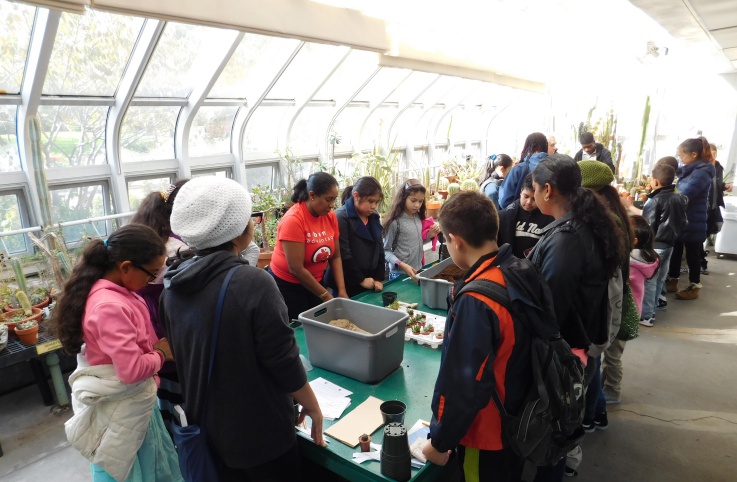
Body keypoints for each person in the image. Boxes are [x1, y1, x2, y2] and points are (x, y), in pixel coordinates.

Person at [161, 177, 324, 481]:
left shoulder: (172, 282)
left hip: (210, 428)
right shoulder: (252, 283)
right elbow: (283, 360)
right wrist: (312, 405)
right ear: (238, 229)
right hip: (261, 436)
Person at [50, 224, 182, 482]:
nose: (153, 280)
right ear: (125, 267)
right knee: (133, 469)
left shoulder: (118, 292)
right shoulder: (109, 306)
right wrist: (160, 354)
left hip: (135, 399)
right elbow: (130, 370)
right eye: (152, 273)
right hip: (122, 404)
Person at [422, 191, 536, 481]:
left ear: (456, 241)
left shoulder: (477, 300)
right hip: (521, 416)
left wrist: (439, 442)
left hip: (488, 432)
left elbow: (464, 383)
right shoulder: (518, 268)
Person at [529, 154, 626, 481]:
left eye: (533, 188)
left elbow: (551, 304)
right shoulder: (584, 223)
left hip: (566, 352)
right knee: (563, 424)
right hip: (580, 345)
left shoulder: (567, 238)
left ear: (546, 189)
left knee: (554, 430)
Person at [130, 180, 189, 434]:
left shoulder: (142, 234)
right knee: (181, 395)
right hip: (169, 325)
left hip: (149, 327)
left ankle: (170, 427)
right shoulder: (175, 247)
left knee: (164, 389)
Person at [268, 172, 348, 320]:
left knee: (320, 321)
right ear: (312, 195)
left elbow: (335, 256)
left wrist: (341, 290)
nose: (332, 205)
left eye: (334, 200)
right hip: (288, 286)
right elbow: (296, 269)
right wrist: (325, 295)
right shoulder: (293, 221)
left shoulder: (330, 216)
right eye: (328, 199)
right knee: (299, 328)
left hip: (316, 281)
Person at [666, 138, 716, 300]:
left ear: (694, 154)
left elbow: (685, 194)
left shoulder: (701, 172)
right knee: (676, 249)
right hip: (683, 218)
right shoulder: (691, 170)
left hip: (693, 219)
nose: (680, 159)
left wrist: (664, 200)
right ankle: (673, 280)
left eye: (682, 156)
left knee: (693, 253)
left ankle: (694, 285)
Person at [639, 164, 687, 326]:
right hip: (670, 244)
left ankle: (646, 315)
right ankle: (654, 306)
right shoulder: (678, 197)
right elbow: (683, 221)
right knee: (660, 278)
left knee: (650, 280)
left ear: (656, 182)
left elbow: (648, 226)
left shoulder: (655, 201)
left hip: (656, 245)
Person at [325, 177, 385, 298]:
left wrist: (378, 277)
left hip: (371, 281)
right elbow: (344, 254)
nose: (374, 206)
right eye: (371, 201)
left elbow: (379, 247)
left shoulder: (374, 215)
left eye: (376, 202)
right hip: (348, 282)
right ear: (356, 196)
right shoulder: (341, 217)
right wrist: (361, 279)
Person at [383, 179, 439, 281]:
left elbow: (416, 242)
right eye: (413, 200)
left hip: (417, 270)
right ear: (403, 198)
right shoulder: (395, 222)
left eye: (420, 201)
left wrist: (429, 235)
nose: (417, 205)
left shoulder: (417, 217)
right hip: (399, 274)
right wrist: (401, 264)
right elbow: (385, 251)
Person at [497, 173, 554, 258]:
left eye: (534, 199)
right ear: (520, 192)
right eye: (526, 196)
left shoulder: (549, 218)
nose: (529, 202)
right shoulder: (504, 216)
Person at [498, 132, 549, 209]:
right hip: (547, 218)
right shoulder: (554, 168)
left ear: (527, 146)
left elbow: (504, 200)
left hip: (518, 218)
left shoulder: (518, 169)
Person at [701, 143, 729, 275]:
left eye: (715, 153)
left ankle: (700, 260)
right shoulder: (701, 167)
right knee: (699, 236)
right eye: (710, 153)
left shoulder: (718, 166)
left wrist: (724, 186)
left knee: (706, 234)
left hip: (713, 207)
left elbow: (716, 184)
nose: (713, 156)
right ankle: (701, 262)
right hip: (702, 207)